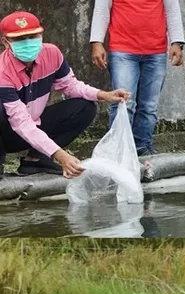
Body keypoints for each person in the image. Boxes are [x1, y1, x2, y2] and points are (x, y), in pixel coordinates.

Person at [0, 11, 130, 179]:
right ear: (6, 42)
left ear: (41, 34)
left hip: (35, 123)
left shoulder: (52, 54)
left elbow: (70, 85)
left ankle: (36, 159)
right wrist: (61, 156)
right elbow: (21, 123)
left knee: (85, 107)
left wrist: (104, 95)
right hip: (9, 134)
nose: (27, 42)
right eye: (19, 39)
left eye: (32, 36)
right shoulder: (3, 72)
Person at [89, 0, 185, 157]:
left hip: (156, 52)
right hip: (122, 50)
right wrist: (97, 43)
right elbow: (102, 9)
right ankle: (117, 152)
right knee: (123, 103)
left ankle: (142, 147)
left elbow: (172, 9)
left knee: (149, 106)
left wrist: (177, 43)